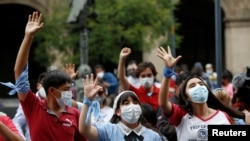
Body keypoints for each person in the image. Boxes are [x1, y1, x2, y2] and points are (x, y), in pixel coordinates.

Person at [9, 11, 86, 141]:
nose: (69, 93)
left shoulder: (75, 114)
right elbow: (19, 72)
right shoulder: (34, 106)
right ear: (51, 91)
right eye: (66, 89)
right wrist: (28, 37)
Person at [156, 46, 245, 141]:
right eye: (192, 85)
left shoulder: (222, 116)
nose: (198, 87)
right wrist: (167, 72)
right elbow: (163, 103)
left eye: (201, 84)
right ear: (186, 96)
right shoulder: (181, 116)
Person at [79, 74, 162, 141]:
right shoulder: (108, 131)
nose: (132, 106)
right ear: (118, 111)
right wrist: (87, 101)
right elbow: (85, 130)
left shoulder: (153, 137)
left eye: (135, 103)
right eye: (126, 103)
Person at [12, 72, 47, 141]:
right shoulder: (30, 101)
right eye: (44, 84)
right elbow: (17, 122)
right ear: (38, 86)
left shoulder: (56, 103)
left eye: (49, 85)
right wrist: (22, 139)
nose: (46, 87)